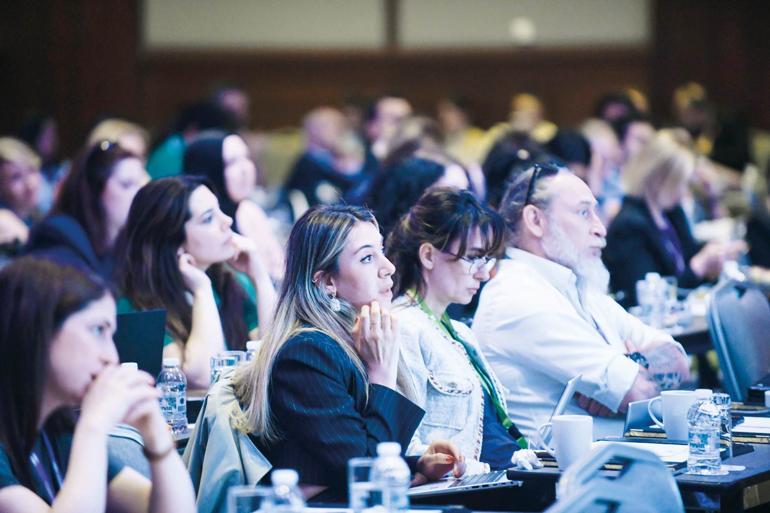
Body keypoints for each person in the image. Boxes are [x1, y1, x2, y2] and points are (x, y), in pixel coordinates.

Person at [231, 205, 464, 502]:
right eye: (368, 258)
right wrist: (381, 374)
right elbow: (362, 470)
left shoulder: (351, 342)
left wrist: (415, 465)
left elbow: (344, 457)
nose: (388, 267)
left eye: (381, 250)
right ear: (328, 281)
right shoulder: (306, 353)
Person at [473, 164, 690, 440]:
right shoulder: (519, 297)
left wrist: (633, 363)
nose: (600, 229)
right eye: (584, 212)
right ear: (535, 221)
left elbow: (680, 362)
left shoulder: (576, 286)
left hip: (617, 456)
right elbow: (637, 391)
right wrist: (634, 378)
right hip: (568, 475)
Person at [0, 256, 195, 513]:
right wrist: (93, 427)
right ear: (38, 331)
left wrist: (157, 436)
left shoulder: (53, 432)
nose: (111, 357)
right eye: (97, 331)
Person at [387, 188, 527, 473]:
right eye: (473, 257)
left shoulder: (462, 332)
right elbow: (406, 443)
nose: (483, 273)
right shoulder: (404, 327)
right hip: (469, 486)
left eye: (486, 259)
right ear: (428, 255)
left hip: (504, 475)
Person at [116, 176, 277, 389]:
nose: (227, 220)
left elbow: (277, 354)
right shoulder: (134, 306)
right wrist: (201, 291)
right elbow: (202, 379)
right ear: (172, 241)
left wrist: (260, 278)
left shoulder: (230, 283)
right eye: (209, 218)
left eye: (219, 209)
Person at [604, 129, 746, 306]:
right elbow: (645, 297)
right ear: (659, 177)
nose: (684, 191)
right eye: (681, 182)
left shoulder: (672, 212)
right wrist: (699, 266)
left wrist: (713, 259)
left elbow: (689, 264)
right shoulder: (627, 225)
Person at [26, 140, 148, 281]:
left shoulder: (124, 246)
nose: (140, 193)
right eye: (127, 185)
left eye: (142, 184)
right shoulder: (57, 239)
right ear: (94, 191)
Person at [183, 131, 285, 281]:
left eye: (246, 158)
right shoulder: (204, 227)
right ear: (211, 170)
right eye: (231, 162)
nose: (245, 169)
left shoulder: (249, 209)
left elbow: (280, 268)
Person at [0, 138, 42, 261]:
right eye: (16, 177)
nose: (30, 184)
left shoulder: (37, 216)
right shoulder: (3, 223)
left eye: (31, 171)